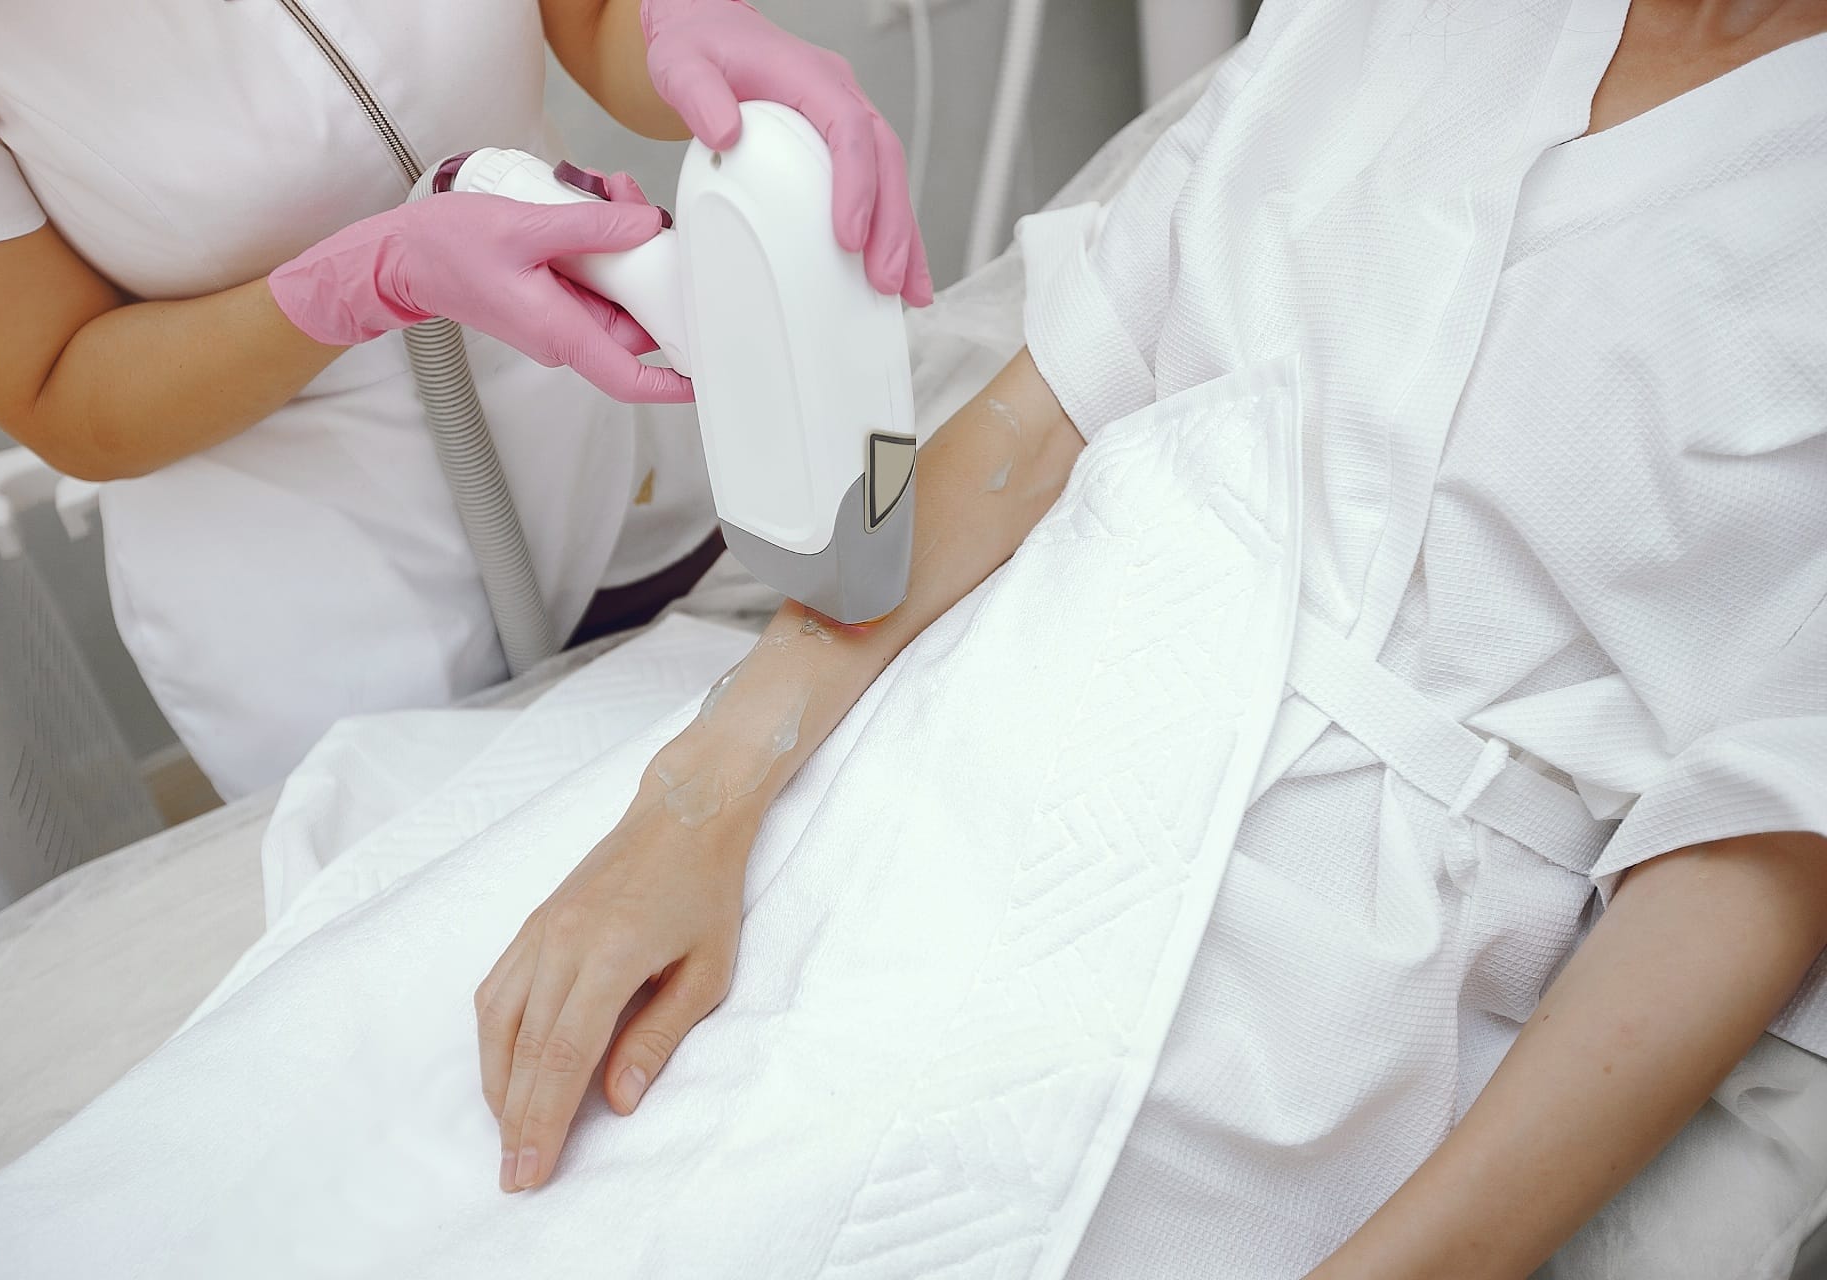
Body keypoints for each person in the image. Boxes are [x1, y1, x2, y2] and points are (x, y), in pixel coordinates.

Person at [471, 0, 1827, 1273]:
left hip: (1296, 985)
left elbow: (1749, 855)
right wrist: (693, 806)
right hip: (952, 739)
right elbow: (1027, 420)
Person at [0, 0, 930, 797]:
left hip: (612, 449)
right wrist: (362, 282)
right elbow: (58, 383)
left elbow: (590, 15)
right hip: (333, 611)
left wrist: (687, 29)